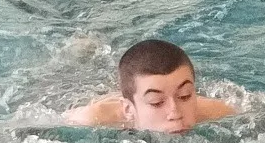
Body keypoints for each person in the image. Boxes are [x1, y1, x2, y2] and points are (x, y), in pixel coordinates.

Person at [63, 39, 238, 133]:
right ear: (128, 109)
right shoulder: (89, 120)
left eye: (185, 96)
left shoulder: (220, 113)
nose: (175, 113)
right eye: (157, 102)